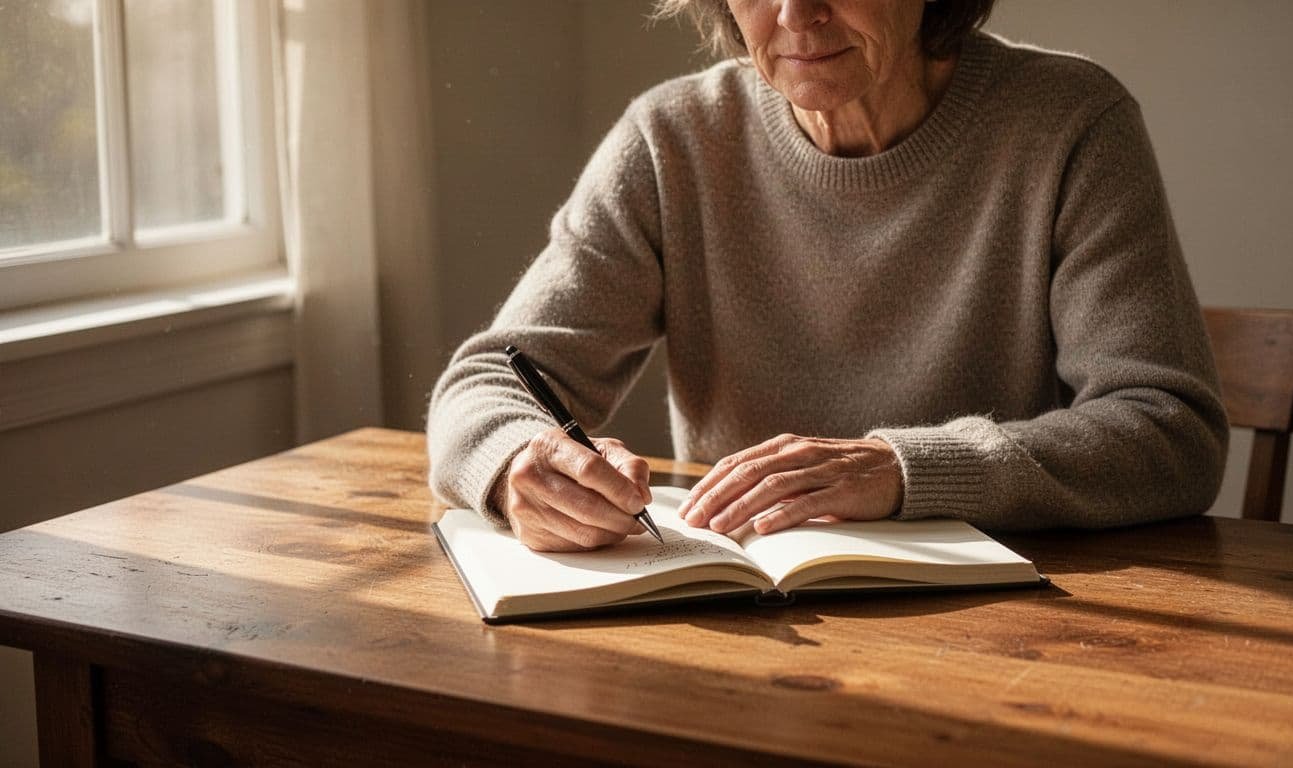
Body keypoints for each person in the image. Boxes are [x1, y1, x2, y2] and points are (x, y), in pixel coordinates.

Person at [426, 0, 1228, 552]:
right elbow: (488, 379)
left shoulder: (1071, 122)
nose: (795, 11)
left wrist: (903, 469)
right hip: (740, 620)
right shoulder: (672, 140)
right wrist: (516, 463)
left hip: (1010, 623)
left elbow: (1169, 428)